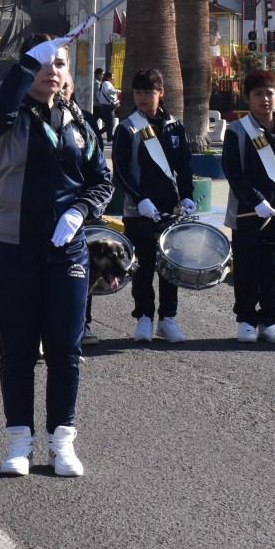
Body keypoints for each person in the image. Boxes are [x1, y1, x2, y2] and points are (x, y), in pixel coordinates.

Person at [0, 33, 112, 477]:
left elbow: (101, 180)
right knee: (18, 349)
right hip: (13, 247)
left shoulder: (78, 121)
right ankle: (19, 442)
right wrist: (24, 63)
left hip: (66, 251)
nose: (51, 71)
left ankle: (61, 442)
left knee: (64, 349)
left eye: (59, 63)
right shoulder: (6, 115)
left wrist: (80, 211)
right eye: (42, 63)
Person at [222, 68, 275, 344]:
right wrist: (256, 200)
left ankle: (270, 320)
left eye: (269, 93)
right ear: (247, 98)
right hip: (248, 212)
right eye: (258, 94)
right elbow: (233, 171)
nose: (265, 99)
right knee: (246, 268)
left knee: (273, 269)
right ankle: (246, 320)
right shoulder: (237, 131)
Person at [112, 67, 196, 343]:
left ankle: (167, 319)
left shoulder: (175, 126)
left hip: (170, 210)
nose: (142, 97)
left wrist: (187, 196)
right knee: (143, 267)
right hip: (140, 211)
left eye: (148, 92)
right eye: (137, 92)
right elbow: (120, 172)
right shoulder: (128, 127)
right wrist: (139, 199)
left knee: (170, 266)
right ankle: (144, 317)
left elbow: (184, 166)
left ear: (161, 92)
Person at [92, 68, 119, 142]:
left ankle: (106, 136)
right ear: (98, 74)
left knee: (107, 123)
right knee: (109, 123)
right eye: (102, 74)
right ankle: (103, 136)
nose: (103, 75)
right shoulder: (97, 83)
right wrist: (102, 102)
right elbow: (98, 94)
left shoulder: (101, 82)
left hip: (100, 105)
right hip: (98, 105)